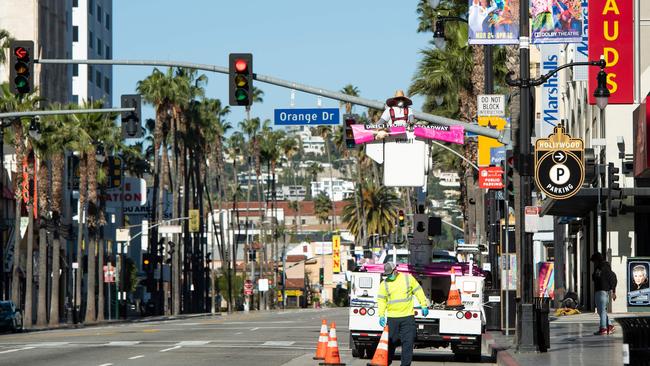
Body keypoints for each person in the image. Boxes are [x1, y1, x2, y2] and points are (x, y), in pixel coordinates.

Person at [377, 262, 430, 366]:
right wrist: (381, 315)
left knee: (408, 343)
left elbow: (418, 291)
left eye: (390, 274)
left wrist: (423, 304)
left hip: (407, 317)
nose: (389, 276)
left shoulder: (408, 279)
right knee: (390, 343)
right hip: (392, 318)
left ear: (395, 270)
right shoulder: (384, 284)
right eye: (387, 274)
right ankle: (386, 363)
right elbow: (381, 300)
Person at [590, 252, 618, 335]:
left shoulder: (603, 268)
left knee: (601, 310)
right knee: (600, 311)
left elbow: (612, 279)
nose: (593, 263)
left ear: (597, 260)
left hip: (602, 291)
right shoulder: (601, 268)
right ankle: (609, 325)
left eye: (594, 261)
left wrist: (613, 291)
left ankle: (603, 328)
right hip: (602, 291)